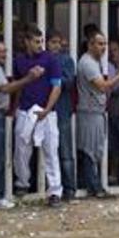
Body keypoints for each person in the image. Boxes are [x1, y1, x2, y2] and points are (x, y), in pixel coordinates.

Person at [0, 40, 38, 209]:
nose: (5, 55)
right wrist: (28, 79)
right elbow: (4, 89)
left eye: (5, 51)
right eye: (1, 52)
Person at [76, 30, 119, 198]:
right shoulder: (87, 63)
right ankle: (94, 187)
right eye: (100, 44)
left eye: (104, 44)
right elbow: (102, 86)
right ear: (90, 44)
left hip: (96, 111)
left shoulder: (95, 62)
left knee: (95, 149)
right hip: (89, 111)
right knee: (89, 150)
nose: (103, 47)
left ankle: (94, 185)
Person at [11, 25, 64, 207]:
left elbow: (57, 86)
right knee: (21, 149)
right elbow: (18, 86)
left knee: (51, 151)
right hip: (26, 109)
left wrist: (48, 109)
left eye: (41, 41)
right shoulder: (19, 60)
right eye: (36, 41)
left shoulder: (50, 60)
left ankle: (55, 191)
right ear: (26, 42)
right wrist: (15, 108)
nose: (39, 45)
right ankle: (22, 183)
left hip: (46, 111)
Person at [46, 31, 77, 201]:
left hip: (62, 110)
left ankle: (69, 188)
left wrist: (52, 79)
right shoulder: (43, 59)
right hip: (46, 111)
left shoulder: (66, 60)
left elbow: (69, 82)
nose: (56, 45)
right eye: (53, 42)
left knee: (65, 150)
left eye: (58, 42)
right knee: (48, 151)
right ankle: (51, 187)